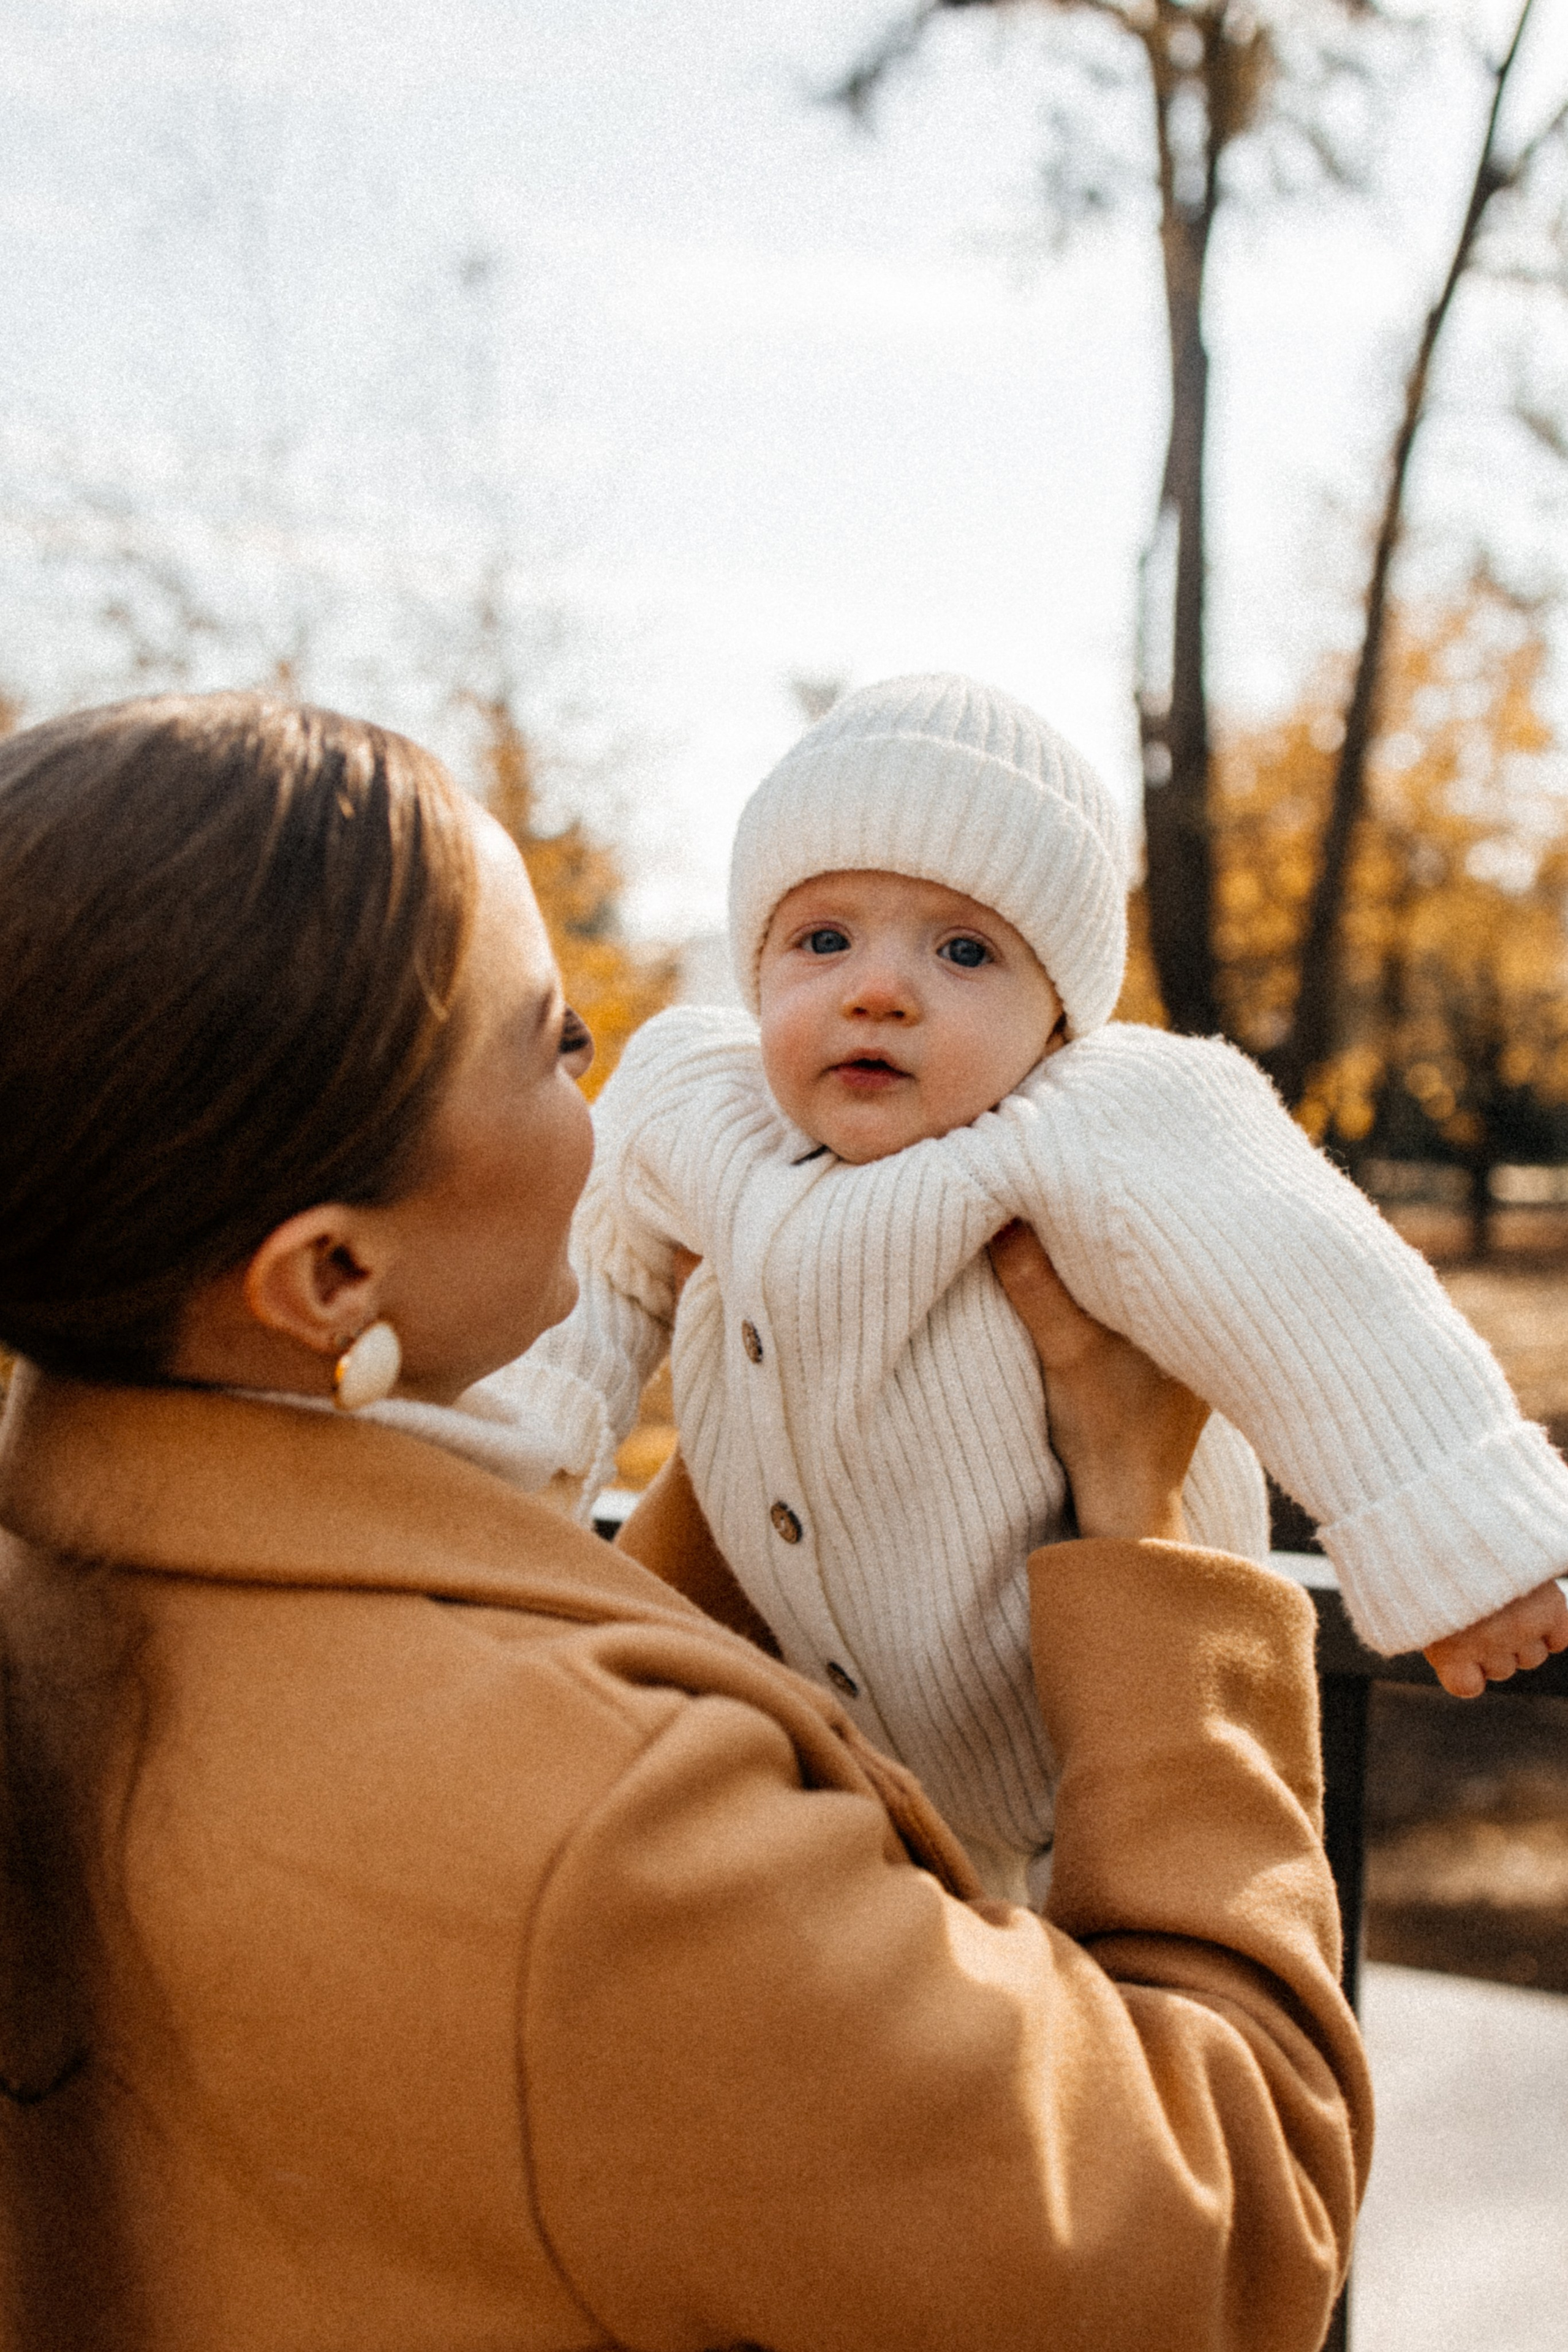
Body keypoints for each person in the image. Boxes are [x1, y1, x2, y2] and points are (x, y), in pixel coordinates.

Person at [0, 689, 1367, 2351]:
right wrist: (1159, 1554)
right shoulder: (615, 1852)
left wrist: (786, 1432)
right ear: (335, 1273)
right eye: (553, 1045)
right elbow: (1212, 2236)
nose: (622, 1111)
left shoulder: (61, 1587)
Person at [524, 672, 1568, 1900]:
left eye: (963, 950)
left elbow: (1322, 1296)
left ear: (1059, 1024)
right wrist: (477, 1485)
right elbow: (575, 1296)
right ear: (756, 974)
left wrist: (1460, 1538)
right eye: (822, 939)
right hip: (816, 1753)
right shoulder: (697, 1103)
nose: (877, 987)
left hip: (1085, 1747)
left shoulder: (1106, 1117)